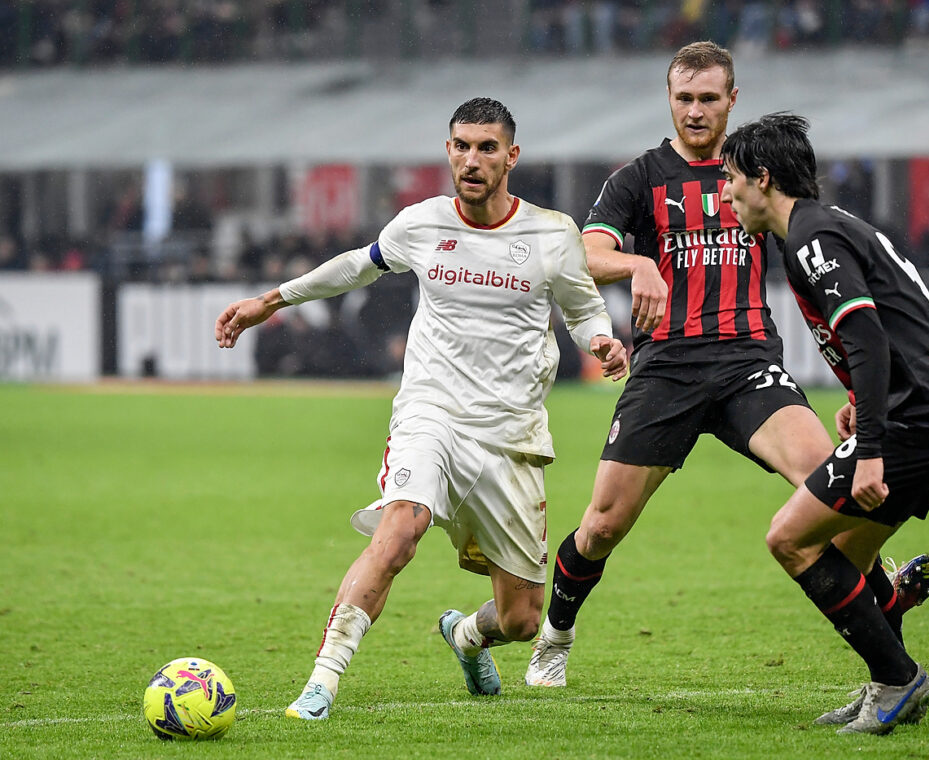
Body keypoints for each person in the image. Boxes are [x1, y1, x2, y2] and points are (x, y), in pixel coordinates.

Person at [525, 41, 929, 689]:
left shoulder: (756, 174)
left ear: (732, 100)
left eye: (709, 99)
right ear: (669, 99)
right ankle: (556, 634)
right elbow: (585, 251)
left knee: (833, 489)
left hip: (750, 364)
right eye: (684, 98)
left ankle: (885, 619)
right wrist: (637, 265)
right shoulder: (640, 178)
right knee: (603, 524)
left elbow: (817, 236)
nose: (695, 111)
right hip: (667, 370)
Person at [214, 98, 628, 719]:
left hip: (510, 436)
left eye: (487, 147)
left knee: (519, 620)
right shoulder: (423, 223)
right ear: (448, 151)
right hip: (430, 415)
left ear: (511, 156)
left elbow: (583, 307)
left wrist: (598, 338)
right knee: (400, 528)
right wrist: (272, 300)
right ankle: (321, 684)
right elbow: (358, 266)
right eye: (461, 145)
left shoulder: (552, 234)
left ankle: (465, 636)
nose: (472, 159)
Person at [719, 112, 929, 734]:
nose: (727, 194)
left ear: (763, 179)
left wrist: (870, 446)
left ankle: (900, 679)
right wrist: (861, 398)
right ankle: (884, 680)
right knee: (847, 554)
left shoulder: (812, 236)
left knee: (790, 539)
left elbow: (867, 339)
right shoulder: (823, 229)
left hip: (916, 419)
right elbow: (897, 321)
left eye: (733, 179)